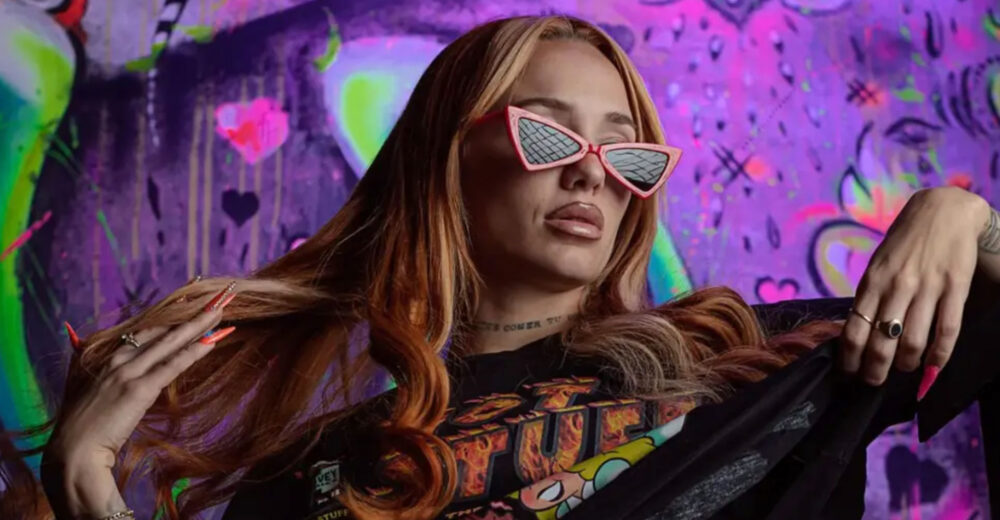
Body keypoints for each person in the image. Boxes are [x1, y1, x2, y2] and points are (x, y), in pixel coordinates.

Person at [2, 14, 999, 520]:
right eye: (547, 135)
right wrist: (87, 490)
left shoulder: (755, 358)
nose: (593, 173)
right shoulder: (319, 476)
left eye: (624, 151)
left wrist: (961, 218)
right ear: (449, 156)